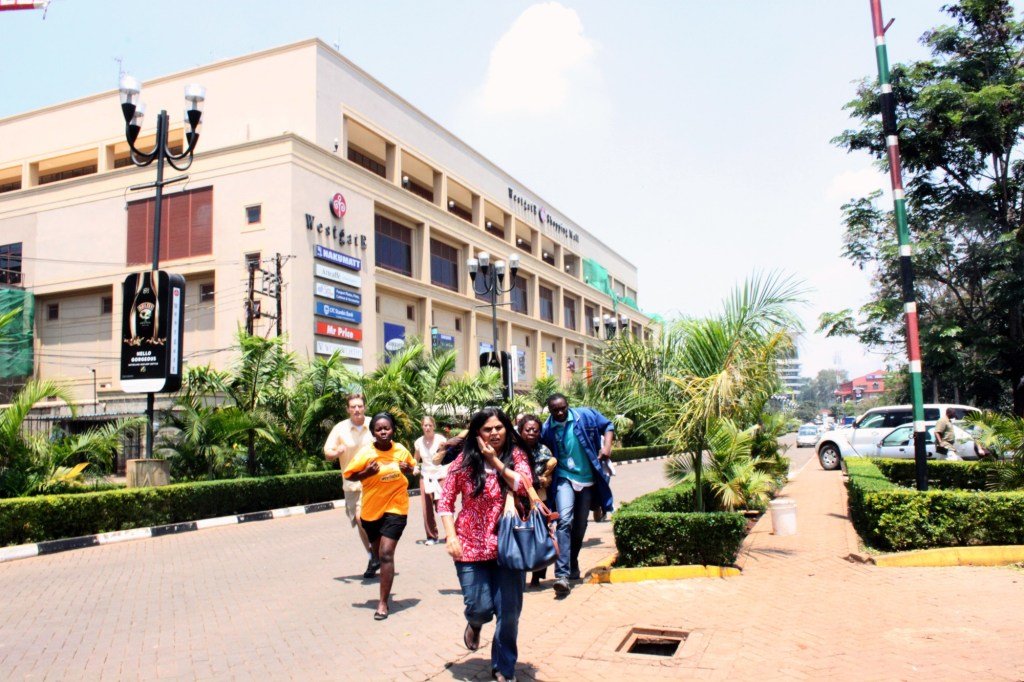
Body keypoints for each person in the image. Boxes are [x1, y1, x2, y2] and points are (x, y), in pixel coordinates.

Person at [437, 408, 534, 682]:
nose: (494, 433)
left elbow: (523, 485)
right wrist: (450, 535)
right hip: (469, 546)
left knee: (509, 613)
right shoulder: (464, 463)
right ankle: (475, 623)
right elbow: (445, 502)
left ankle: (503, 668)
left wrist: (496, 462)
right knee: (479, 606)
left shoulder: (516, 456)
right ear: (477, 433)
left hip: (509, 545)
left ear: (506, 429)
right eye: (487, 429)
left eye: (499, 428)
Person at [342, 412, 416, 620]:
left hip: (396, 508)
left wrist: (407, 469)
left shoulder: (401, 450)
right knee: (378, 553)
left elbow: (412, 468)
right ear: (373, 432)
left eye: (387, 428)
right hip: (371, 512)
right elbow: (349, 474)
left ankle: (382, 603)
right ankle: (378, 564)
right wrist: (366, 473)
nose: (383, 431)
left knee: (386, 553)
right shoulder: (366, 453)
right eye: (379, 429)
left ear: (393, 429)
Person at [541, 393, 614, 597]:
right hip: (564, 478)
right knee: (564, 521)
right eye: (555, 410)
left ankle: (572, 560)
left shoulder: (586, 416)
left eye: (563, 407)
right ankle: (562, 575)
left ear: (568, 405)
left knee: (580, 525)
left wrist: (606, 447)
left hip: (588, 478)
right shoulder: (547, 429)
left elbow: (608, 426)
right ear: (550, 410)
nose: (560, 412)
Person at [323, 393, 378, 578]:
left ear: (364, 407)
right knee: (359, 522)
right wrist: (336, 451)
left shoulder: (374, 424)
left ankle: (377, 553)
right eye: (353, 406)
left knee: (363, 518)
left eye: (359, 406)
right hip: (351, 483)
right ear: (348, 409)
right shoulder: (340, 429)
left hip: (373, 481)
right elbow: (327, 452)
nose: (356, 409)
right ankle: (373, 556)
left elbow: (388, 443)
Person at [517, 414, 557, 588]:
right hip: (517, 499)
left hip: (538, 499)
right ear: (520, 431)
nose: (531, 432)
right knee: (518, 538)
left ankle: (536, 576)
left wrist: (545, 480)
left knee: (539, 537)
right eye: (528, 429)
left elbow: (550, 476)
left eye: (535, 430)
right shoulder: (513, 450)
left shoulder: (545, 451)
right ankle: (517, 576)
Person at [413, 415, 447, 545]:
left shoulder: (441, 440)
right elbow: (415, 458)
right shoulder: (418, 442)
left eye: (429, 425)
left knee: (443, 505)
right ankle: (432, 536)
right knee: (426, 507)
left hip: (440, 475)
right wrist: (415, 467)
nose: (427, 428)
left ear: (434, 426)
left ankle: (451, 533)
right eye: (425, 425)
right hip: (426, 476)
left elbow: (446, 456)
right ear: (422, 426)